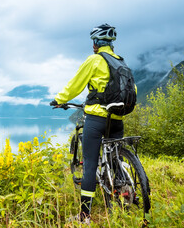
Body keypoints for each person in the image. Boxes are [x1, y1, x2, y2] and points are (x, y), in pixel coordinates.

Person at [50, 24, 131, 223]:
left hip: (96, 119)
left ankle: (84, 216)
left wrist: (60, 99)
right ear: (111, 44)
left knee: (90, 165)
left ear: (96, 43)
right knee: (114, 159)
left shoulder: (94, 60)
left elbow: (75, 84)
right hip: (117, 119)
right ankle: (123, 191)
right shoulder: (121, 63)